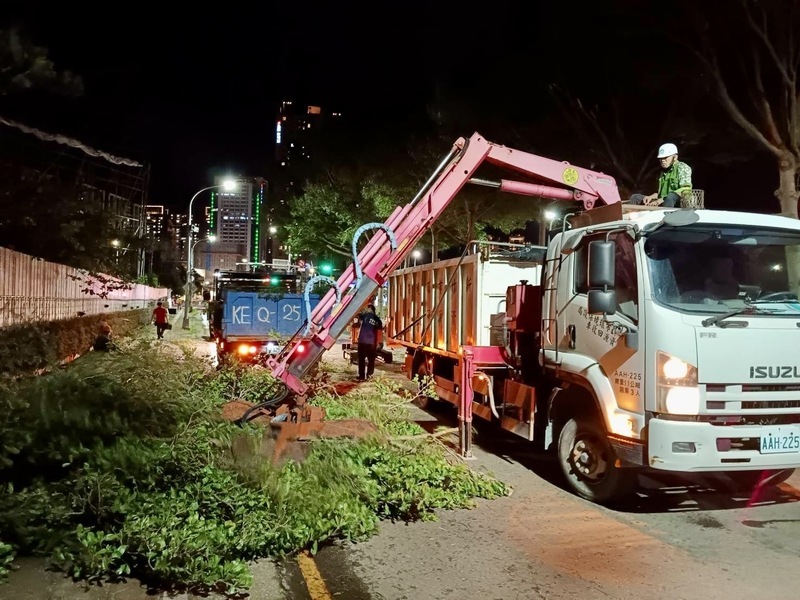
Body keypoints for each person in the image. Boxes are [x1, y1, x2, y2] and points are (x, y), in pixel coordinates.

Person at [628, 143, 693, 208]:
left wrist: (661, 200)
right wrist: (651, 197)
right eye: (661, 158)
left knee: (670, 197)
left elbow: (686, 190)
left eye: (665, 158)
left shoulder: (682, 168)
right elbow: (660, 194)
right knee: (635, 197)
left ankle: (667, 217)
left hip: (678, 204)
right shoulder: (663, 172)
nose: (662, 161)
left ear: (675, 157)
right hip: (663, 202)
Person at [356, 303, 383, 381]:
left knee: (361, 359)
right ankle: (369, 376)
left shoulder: (364, 316)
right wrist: (379, 343)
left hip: (362, 341)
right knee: (371, 361)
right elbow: (379, 332)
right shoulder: (378, 320)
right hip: (371, 343)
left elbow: (358, 316)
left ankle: (361, 376)